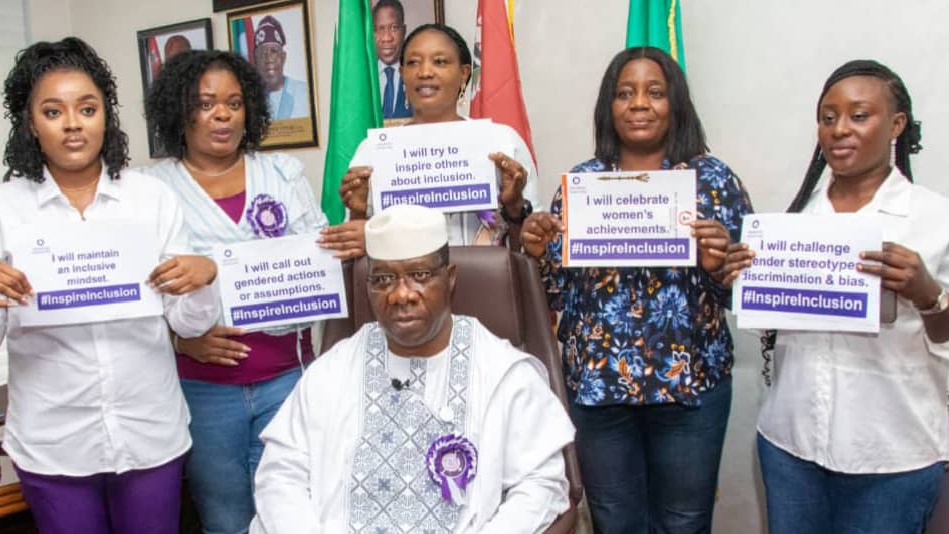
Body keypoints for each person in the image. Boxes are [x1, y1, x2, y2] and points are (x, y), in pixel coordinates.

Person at [0, 37, 219, 534]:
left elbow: (189, 323)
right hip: (53, 442)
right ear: (31, 123)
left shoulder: (150, 199)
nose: (73, 124)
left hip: (148, 430)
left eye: (87, 109)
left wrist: (201, 281)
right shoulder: (0, 210)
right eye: (53, 111)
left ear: (105, 116)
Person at [521, 47, 753, 533]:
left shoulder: (713, 180)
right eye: (625, 93)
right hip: (600, 391)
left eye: (654, 92)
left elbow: (744, 294)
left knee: (685, 523)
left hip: (689, 391)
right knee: (613, 521)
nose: (639, 104)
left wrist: (717, 267)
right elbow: (558, 295)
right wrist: (539, 253)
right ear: (609, 106)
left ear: (676, 104)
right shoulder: (582, 184)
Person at [722, 60, 949, 534]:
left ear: (896, 124)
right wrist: (739, 280)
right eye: (828, 118)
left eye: (859, 115)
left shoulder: (935, 220)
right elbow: (772, 326)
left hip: (893, 458)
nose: (840, 129)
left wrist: (929, 295)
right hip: (791, 447)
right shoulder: (794, 220)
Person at [248, 203, 574, 533]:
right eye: (383, 279)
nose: (401, 295)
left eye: (419, 276)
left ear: (449, 279)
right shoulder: (333, 370)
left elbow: (540, 484)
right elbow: (280, 474)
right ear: (368, 287)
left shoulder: (502, 372)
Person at [144, 49, 355, 534]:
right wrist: (179, 340)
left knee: (294, 514)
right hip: (202, 389)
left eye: (234, 103)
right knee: (224, 517)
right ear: (180, 111)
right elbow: (136, 290)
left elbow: (315, 258)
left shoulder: (281, 174)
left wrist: (355, 233)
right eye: (206, 103)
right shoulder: (152, 190)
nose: (222, 114)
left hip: (287, 379)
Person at [333, 24, 539, 249]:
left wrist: (515, 205)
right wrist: (358, 212)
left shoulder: (502, 142)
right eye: (413, 62)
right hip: (405, 283)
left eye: (440, 61)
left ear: (464, 73)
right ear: (402, 74)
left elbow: (535, 244)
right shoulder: (372, 152)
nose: (424, 72)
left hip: (487, 281)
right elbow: (355, 246)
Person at [252, 15, 309, 120]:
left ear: (283, 57)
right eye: (262, 53)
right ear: (255, 60)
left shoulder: (305, 92)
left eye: (273, 51)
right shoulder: (249, 99)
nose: (268, 59)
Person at [373, 0, 413, 120]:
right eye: (380, 29)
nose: (386, 38)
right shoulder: (363, 78)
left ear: (404, 31)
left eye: (394, 28)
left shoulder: (417, 75)